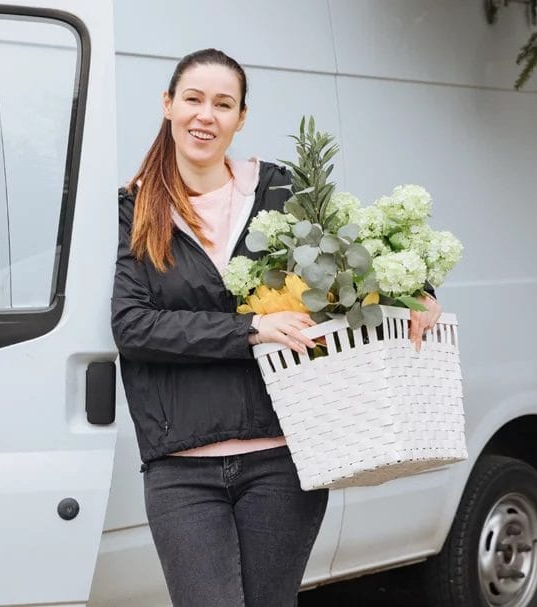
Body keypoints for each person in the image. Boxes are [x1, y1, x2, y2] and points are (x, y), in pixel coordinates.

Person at [111, 48, 442, 607]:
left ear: (240, 118)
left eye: (223, 104)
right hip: (181, 465)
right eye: (192, 99)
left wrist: (419, 293)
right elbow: (132, 325)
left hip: (284, 456)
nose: (205, 116)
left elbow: (358, 257)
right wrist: (249, 330)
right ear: (168, 106)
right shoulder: (136, 208)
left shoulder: (280, 191)